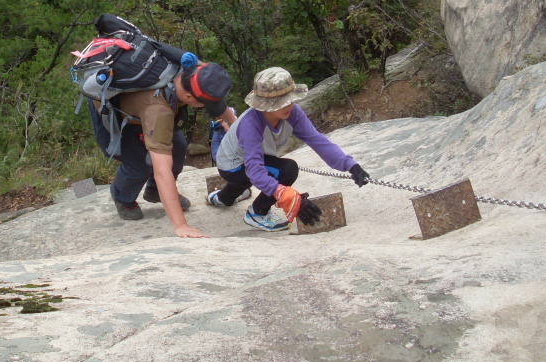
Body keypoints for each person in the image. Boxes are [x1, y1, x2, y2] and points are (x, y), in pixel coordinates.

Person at [209, 66, 372, 231]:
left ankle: (223, 198)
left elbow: (317, 140)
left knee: (266, 172)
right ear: (265, 105)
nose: (289, 105)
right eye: (282, 102)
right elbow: (254, 171)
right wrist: (286, 196)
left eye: (291, 99)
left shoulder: (292, 112)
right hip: (232, 165)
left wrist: (351, 166)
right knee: (287, 170)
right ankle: (257, 213)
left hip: (251, 160)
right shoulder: (251, 123)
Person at [89, 55, 236, 238]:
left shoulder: (194, 71)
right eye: (203, 105)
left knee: (179, 146)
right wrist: (181, 225)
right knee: (138, 164)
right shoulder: (158, 111)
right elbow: (161, 171)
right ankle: (122, 197)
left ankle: (155, 192)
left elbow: (213, 97)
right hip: (120, 112)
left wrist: (234, 125)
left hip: (152, 105)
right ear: (189, 96)